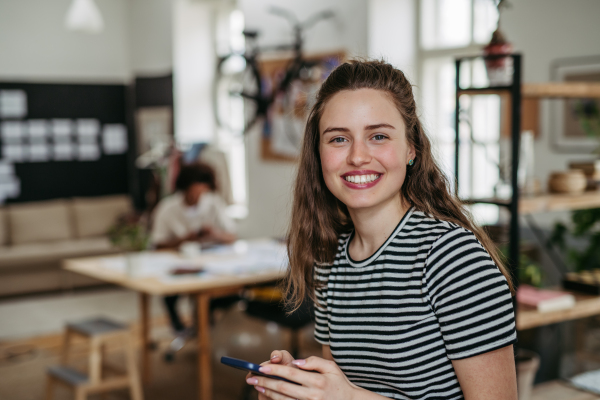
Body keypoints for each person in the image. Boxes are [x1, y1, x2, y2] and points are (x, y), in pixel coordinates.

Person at [246, 60, 518, 400]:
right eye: (338, 139)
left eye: (378, 136)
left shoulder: (453, 259)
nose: (358, 156)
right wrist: (305, 389)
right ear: (318, 154)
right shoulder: (330, 261)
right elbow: (347, 387)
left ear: (410, 148)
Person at [151, 162, 236, 335]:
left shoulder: (214, 203)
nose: (198, 196)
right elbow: (157, 245)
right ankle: (183, 329)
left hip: (211, 265)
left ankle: (207, 330)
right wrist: (183, 240)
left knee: (230, 293)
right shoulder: (167, 208)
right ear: (185, 188)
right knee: (171, 293)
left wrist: (214, 234)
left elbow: (232, 236)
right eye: (195, 191)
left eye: (203, 192)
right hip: (181, 265)